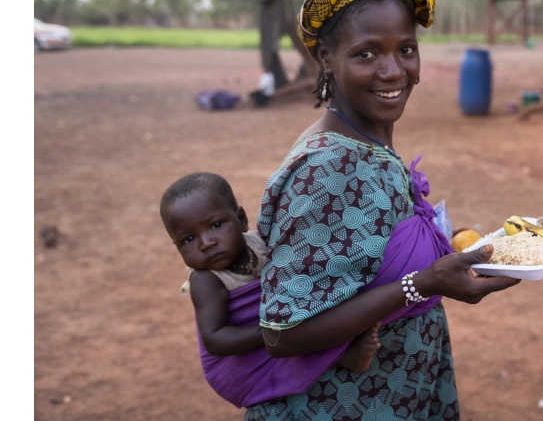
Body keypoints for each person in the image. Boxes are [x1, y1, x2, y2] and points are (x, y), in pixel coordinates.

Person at [248, 0, 520, 420]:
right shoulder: (330, 168)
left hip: (393, 395)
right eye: (367, 53)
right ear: (326, 58)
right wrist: (425, 283)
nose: (394, 71)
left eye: (406, 49)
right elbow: (281, 333)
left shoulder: (364, 144)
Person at [160, 172, 383, 408]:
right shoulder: (206, 280)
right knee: (299, 337)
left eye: (216, 225)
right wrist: (277, 332)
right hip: (237, 364)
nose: (206, 243)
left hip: (267, 335)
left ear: (242, 219)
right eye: (189, 239)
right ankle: (340, 358)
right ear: (177, 247)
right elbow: (215, 340)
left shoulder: (260, 242)